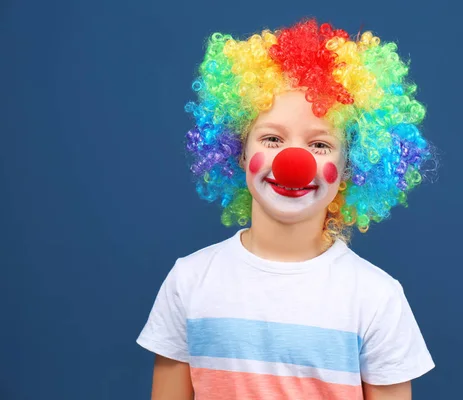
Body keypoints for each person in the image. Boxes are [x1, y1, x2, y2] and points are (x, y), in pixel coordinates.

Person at [137, 18, 436, 400]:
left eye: (320, 145)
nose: (294, 161)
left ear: (351, 168)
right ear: (238, 152)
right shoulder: (190, 281)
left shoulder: (377, 297)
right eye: (273, 138)